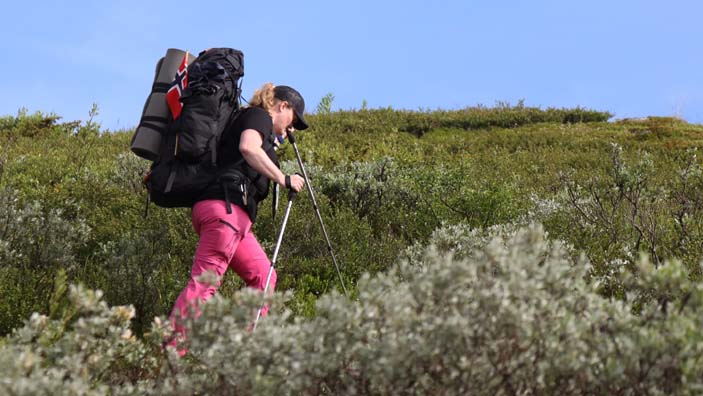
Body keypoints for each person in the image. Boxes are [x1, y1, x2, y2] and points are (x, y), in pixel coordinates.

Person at [167, 83, 308, 355]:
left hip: (232, 217)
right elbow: (248, 148)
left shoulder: (258, 126)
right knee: (206, 281)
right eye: (294, 121)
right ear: (282, 106)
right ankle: (172, 352)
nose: (292, 129)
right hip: (225, 210)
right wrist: (283, 178)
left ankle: (245, 353)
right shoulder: (257, 116)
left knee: (264, 276)